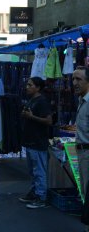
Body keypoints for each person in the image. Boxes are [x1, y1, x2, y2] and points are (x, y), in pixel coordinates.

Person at [19, 76, 52, 209]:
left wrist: (31, 117)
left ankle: (41, 197)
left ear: (38, 87)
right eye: (27, 84)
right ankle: (34, 193)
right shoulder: (32, 100)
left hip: (38, 142)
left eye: (30, 85)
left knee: (39, 171)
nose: (27, 87)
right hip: (30, 141)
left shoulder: (42, 101)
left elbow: (49, 121)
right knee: (33, 172)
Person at [72, 66, 89, 231]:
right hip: (82, 152)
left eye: (79, 79)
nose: (75, 83)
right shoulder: (81, 100)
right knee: (85, 191)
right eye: (73, 79)